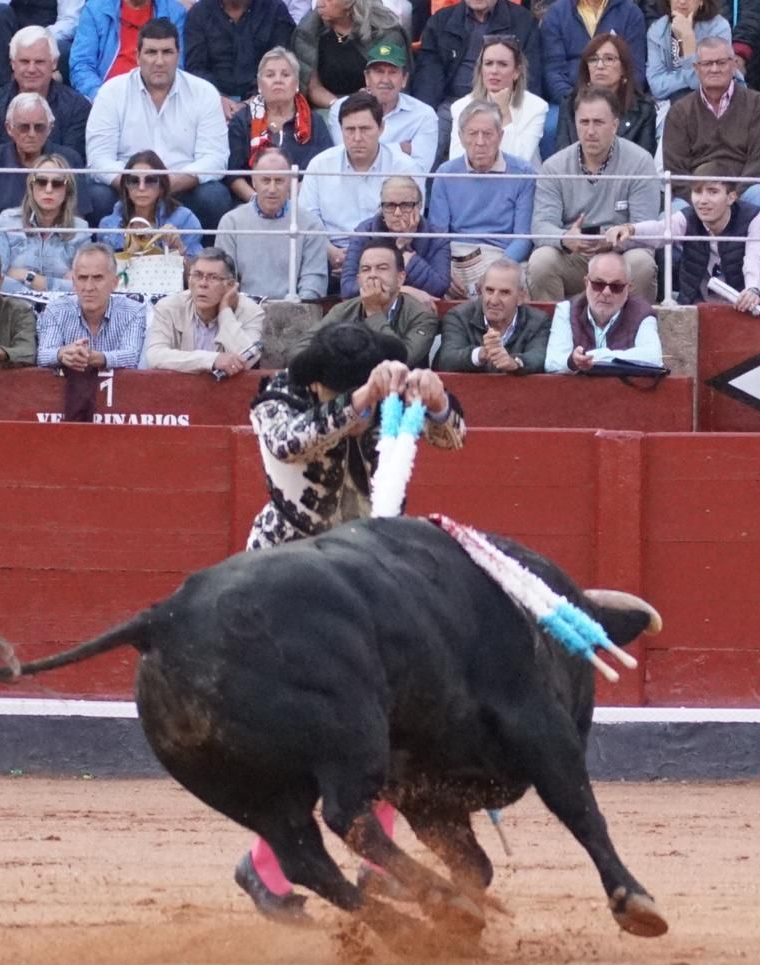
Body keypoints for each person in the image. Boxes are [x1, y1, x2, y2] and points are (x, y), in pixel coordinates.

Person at [232, 321, 465, 920]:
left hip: (370, 580)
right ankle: (266, 865)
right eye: (345, 392)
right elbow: (292, 444)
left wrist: (437, 401)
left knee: (391, 728)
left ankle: (373, 864)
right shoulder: (277, 401)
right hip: (287, 583)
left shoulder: (379, 392)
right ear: (318, 384)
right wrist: (362, 400)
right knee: (311, 739)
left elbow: (452, 439)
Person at [85, 18, 234, 233]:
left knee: (214, 196)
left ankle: (204, 263)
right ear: (137, 56)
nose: (159, 61)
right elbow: (99, 159)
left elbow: (215, 158)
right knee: (98, 196)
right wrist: (138, 184)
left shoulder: (204, 92)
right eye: (151, 52)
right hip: (128, 188)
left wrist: (165, 184)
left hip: (181, 188)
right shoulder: (111, 92)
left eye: (167, 52)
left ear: (178, 55)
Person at [530, 87, 661, 302]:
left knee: (642, 263)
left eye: (598, 122)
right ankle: (551, 332)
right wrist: (565, 239)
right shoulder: (554, 166)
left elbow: (645, 227)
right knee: (541, 261)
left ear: (615, 125)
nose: (590, 131)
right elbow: (541, 226)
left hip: (620, 254)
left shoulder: (640, 161)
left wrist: (613, 240)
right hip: (574, 256)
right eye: (584, 122)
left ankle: (634, 331)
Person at [609, 166, 760, 309]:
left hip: (744, 307)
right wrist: (631, 229)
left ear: (731, 197)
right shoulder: (688, 216)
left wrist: (753, 290)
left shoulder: (754, 217)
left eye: (712, 192)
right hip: (697, 305)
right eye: (697, 192)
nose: (702, 200)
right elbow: (662, 230)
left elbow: (757, 257)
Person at [303, 92, 425, 273]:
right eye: (350, 130)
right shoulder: (319, 165)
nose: (357, 137)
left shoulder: (405, 167)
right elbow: (307, 221)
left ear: (381, 127)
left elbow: (410, 223)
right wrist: (331, 252)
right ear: (341, 129)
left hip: (388, 258)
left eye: (365, 129)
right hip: (330, 257)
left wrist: (365, 260)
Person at [428, 100, 538, 297]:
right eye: (472, 134)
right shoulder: (445, 174)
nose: (480, 142)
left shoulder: (523, 173)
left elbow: (523, 238)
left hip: (501, 255)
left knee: (520, 282)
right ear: (461, 138)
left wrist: (496, 271)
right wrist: (443, 270)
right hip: (456, 256)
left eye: (487, 134)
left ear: (500, 136)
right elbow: (438, 235)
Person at [216, 147, 330, 300]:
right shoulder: (231, 223)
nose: (272, 189)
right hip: (244, 312)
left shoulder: (311, 224)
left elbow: (314, 281)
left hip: (295, 312)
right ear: (254, 181)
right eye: (265, 180)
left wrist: (298, 308)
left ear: (290, 182)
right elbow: (226, 280)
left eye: (279, 181)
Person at [226, 47, 335, 203]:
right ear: (259, 84)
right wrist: (259, 204)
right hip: (251, 204)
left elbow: (325, 170)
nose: (278, 80)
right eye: (270, 75)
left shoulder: (314, 121)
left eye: (285, 75)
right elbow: (234, 175)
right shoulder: (242, 120)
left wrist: (289, 200)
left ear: (296, 83)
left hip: (303, 202)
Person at [0, 93, 90, 232]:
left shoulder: (70, 159)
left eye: (39, 127)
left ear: (50, 128)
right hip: (2, 245)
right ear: (9, 128)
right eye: (24, 127)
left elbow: (76, 220)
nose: (32, 134)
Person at [311, 239, 439, 367]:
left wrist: (373, 311)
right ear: (358, 279)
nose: (372, 275)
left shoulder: (422, 316)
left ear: (400, 278)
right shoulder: (342, 310)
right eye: (366, 269)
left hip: (402, 385)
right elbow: (303, 346)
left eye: (382, 268)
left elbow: (400, 360)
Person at [0, 26, 92, 158]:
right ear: (12, 63)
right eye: (24, 61)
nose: (31, 69)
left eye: (39, 62)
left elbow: (71, 163)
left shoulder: (77, 107)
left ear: (54, 63)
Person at [144, 247, 266, 373]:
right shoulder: (168, 307)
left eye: (213, 278)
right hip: (180, 389)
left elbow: (248, 360)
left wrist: (225, 312)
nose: (203, 284)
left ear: (229, 285)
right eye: (197, 275)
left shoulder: (251, 311)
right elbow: (154, 356)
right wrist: (212, 360)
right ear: (189, 280)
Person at [411, 0, 543, 114]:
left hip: (502, 107)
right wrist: (425, 116)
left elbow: (530, 78)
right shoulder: (441, 21)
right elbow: (427, 78)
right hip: (451, 106)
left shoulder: (524, 22)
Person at [544, 250, 664, 373]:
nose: (606, 292)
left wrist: (596, 357)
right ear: (586, 283)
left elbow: (654, 358)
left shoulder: (642, 313)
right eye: (598, 284)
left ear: (628, 289)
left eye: (616, 287)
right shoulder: (566, 310)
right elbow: (553, 362)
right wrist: (572, 362)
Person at [326, 41, 438, 172]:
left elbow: (420, 170)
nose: (385, 80)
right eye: (379, 72)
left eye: (392, 72)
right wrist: (399, 149)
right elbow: (347, 159)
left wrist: (369, 152)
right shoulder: (341, 108)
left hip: (400, 189)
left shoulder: (424, 115)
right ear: (367, 78)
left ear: (404, 79)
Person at [0, 155, 92, 295]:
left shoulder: (80, 230)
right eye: (41, 182)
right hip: (15, 307)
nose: (48, 189)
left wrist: (31, 278)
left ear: (67, 189)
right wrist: (59, 284)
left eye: (57, 183)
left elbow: (84, 286)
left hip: (62, 309)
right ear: (31, 186)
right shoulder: (6, 221)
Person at [36, 243, 147, 370]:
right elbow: (42, 355)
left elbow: (133, 356)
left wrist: (98, 358)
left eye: (97, 278)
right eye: (82, 278)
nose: (89, 287)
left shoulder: (133, 312)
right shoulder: (56, 309)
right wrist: (63, 353)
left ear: (114, 283)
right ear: (73, 282)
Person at [340, 176, 449, 302]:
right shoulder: (364, 232)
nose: (397, 213)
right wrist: (405, 290)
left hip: (417, 311)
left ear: (419, 207)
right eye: (390, 205)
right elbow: (348, 289)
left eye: (405, 205)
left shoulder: (436, 236)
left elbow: (439, 288)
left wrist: (407, 255)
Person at [447, 36, 548, 167]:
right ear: (481, 69)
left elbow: (519, 161)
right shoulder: (460, 107)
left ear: (517, 71)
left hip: (518, 184)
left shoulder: (536, 107)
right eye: (488, 63)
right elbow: (457, 161)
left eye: (502, 64)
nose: (494, 71)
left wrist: (503, 113)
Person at [437, 257, 550, 372]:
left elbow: (539, 357)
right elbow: (447, 359)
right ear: (481, 290)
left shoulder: (538, 321)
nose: (494, 301)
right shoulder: (458, 316)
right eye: (489, 290)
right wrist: (482, 353)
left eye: (505, 292)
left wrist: (514, 362)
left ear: (521, 297)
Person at [554, 33, 658, 158]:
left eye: (609, 59)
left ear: (623, 68)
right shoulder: (570, 104)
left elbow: (643, 161)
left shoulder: (643, 111)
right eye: (593, 59)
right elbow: (563, 156)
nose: (600, 66)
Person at [183, 0, 295, 115]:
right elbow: (195, 68)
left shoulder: (275, 10)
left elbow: (282, 65)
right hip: (212, 106)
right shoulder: (199, 14)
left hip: (266, 104)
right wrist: (218, 98)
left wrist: (252, 102)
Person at [292, 0, 411, 108]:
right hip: (328, 108)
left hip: (377, 106)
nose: (320, 4)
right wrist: (339, 106)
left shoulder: (384, 32)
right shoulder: (310, 31)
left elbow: (389, 79)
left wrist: (364, 101)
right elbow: (312, 87)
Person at [69, 0, 190, 99]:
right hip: (106, 97)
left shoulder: (175, 13)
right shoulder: (96, 8)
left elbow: (176, 65)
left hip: (157, 97)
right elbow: (81, 64)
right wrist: (100, 95)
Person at [97, 150, 205, 258]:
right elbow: (104, 271)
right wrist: (129, 254)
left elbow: (195, 272)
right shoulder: (108, 225)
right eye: (134, 181)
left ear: (162, 186)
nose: (141, 188)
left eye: (150, 180)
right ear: (126, 186)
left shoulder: (185, 220)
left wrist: (178, 249)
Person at [541, 0, 649, 108]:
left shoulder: (630, 13)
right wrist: (577, 103)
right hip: (570, 102)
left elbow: (635, 71)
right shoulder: (556, 13)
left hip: (619, 103)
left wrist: (612, 104)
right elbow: (553, 72)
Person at [0, 0, 83, 92]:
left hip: (49, 37)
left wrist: (39, 36)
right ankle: (0, 91)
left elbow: (71, 21)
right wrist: (20, 39)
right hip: (10, 37)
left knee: (66, 51)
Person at [648, 0, 732, 103]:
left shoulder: (718, 27)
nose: (682, 1)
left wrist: (687, 38)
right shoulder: (657, 30)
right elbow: (657, 86)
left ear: (701, 2)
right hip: (670, 103)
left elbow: (707, 82)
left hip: (714, 101)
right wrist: (689, 76)